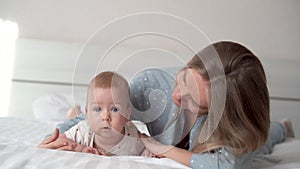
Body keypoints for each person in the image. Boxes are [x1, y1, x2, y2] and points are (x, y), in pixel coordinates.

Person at [38, 41, 294, 168]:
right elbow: (98, 114)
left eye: (194, 102)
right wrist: (57, 135)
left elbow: (221, 165)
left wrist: (159, 146)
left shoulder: (232, 125)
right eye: (183, 79)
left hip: (242, 135)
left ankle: (283, 128)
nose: (178, 97)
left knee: (263, 141)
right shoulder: (152, 86)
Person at [39, 71, 147, 156]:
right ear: (88, 113)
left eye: (114, 109)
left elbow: (149, 150)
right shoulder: (82, 130)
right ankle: (74, 114)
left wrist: (150, 153)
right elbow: (59, 140)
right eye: (98, 109)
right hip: (83, 120)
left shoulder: (134, 139)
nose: (105, 117)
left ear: (127, 115)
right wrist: (80, 148)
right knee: (76, 120)